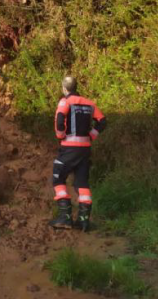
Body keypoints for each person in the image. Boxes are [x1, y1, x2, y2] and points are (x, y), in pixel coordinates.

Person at [49, 75, 106, 231]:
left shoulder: (65, 101)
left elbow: (60, 119)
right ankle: (83, 221)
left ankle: (65, 217)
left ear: (64, 88)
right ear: (76, 87)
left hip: (69, 148)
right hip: (85, 149)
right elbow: (103, 121)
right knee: (82, 183)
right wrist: (92, 135)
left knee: (58, 178)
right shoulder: (89, 103)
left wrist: (60, 135)